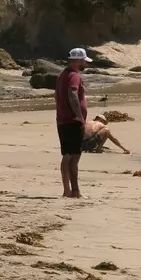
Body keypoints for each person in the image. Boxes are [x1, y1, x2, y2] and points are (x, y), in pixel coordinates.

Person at [56, 47, 89, 198]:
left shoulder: (62, 74)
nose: (85, 64)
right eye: (83, 61)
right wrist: (79, 116)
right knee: (74, 157)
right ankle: (75, 191)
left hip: (62, 120)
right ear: (77, 61)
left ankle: (67, 190)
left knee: (67, 155)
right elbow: (72, 93)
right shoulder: (74, 76)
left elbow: (57, 95)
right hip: (73, 121)